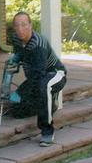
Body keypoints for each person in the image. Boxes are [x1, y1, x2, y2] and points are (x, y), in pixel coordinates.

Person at [7, 12, 67, 146]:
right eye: (16, 26)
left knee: (43, 86)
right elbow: (20, 52)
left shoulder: (38, 45)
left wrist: (20, 91)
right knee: (17, 111)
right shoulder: (16, 39)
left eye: (23, 25)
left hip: (54, 74)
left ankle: (47, 131)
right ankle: (50, 105)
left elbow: (38, 76)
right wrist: (16, 60)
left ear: (30, 25)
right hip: (37, 77)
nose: (20, 29)